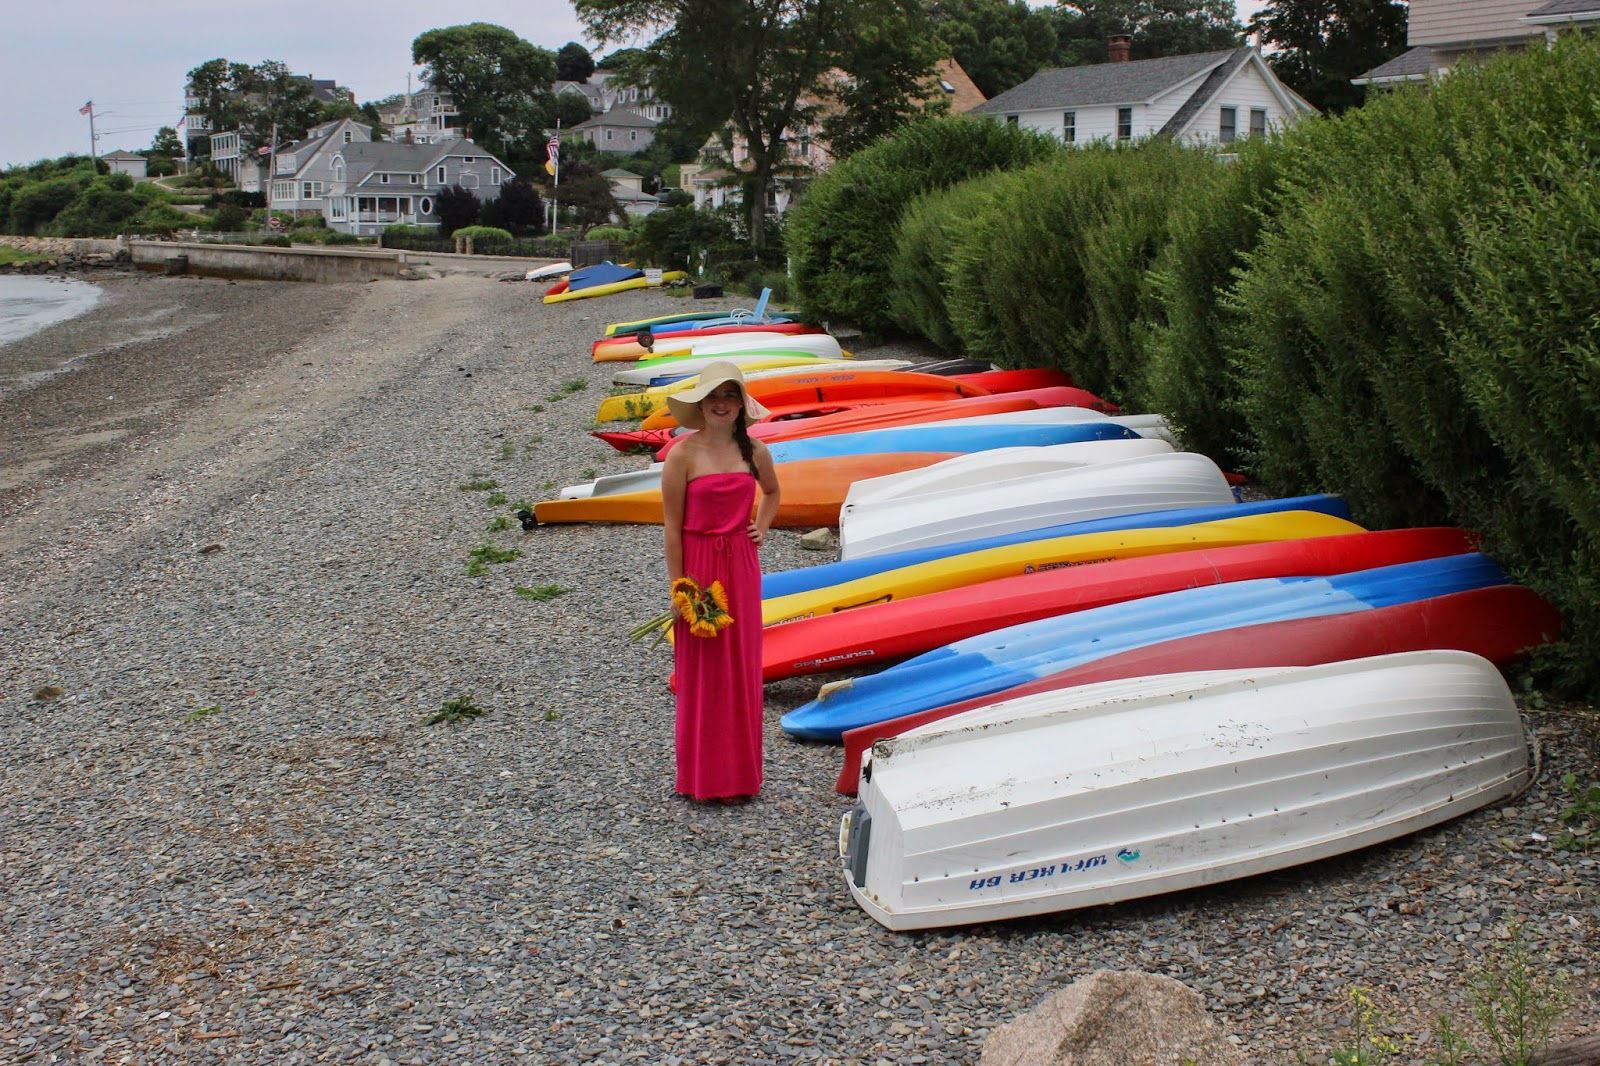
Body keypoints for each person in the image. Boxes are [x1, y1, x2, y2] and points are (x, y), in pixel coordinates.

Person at [660, 362, 781, 804]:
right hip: (699, 566)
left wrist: (760, 527)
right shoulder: (682, 454)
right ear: (701, 403)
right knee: (704, 671)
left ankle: (739, 780)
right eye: (714, 395)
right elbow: (672, 527)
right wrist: (679, 588)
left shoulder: (756, 451)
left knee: (741, 668)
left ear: (741, 405)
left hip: (742, 567)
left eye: (730, 395)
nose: (721, 403)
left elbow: (772, 492)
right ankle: (704, 779)